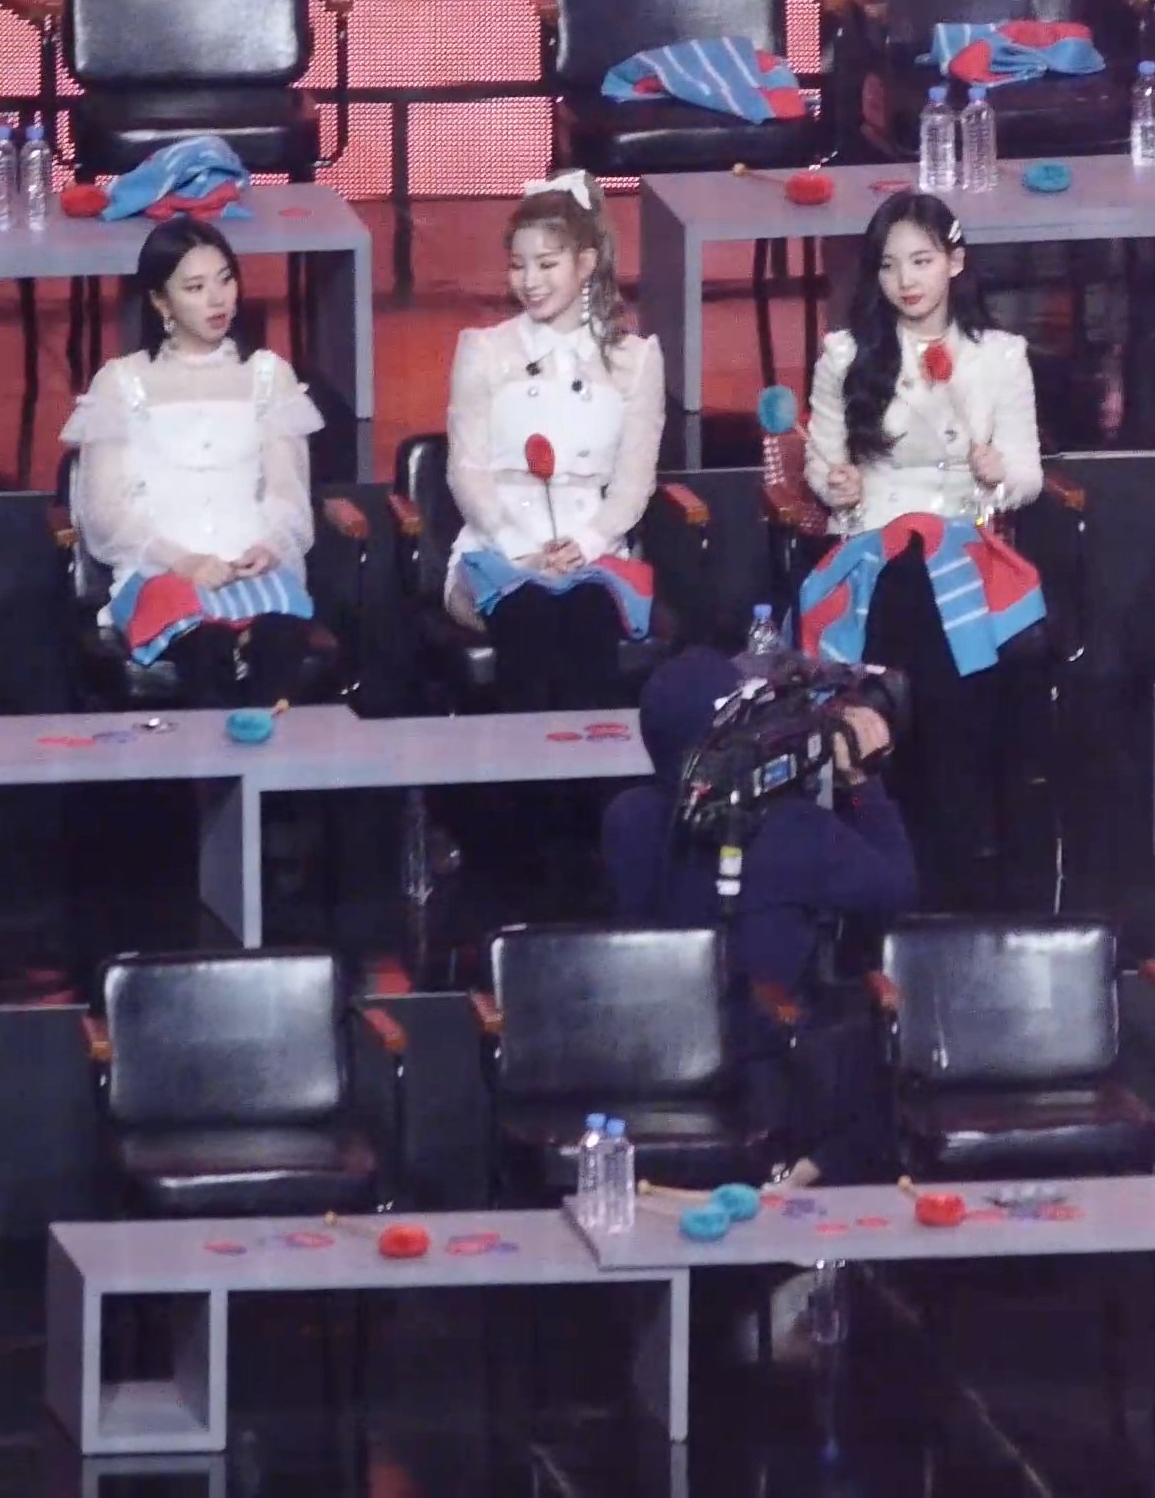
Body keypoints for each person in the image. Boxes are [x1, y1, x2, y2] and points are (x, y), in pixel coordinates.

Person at [785, 191, 1045, 905]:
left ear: (955, 263)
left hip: (967, 536)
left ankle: (943, 836)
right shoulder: (847, 357)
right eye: (890, 265)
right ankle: (922, 829)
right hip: (872, 540)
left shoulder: (999, 357)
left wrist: (999, 472)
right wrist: (835, 482)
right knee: (906, 573)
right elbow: (826, 467)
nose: (906, 280)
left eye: (922, 262)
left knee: (934, 577)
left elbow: (1028, 477)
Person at [598, 648, 916, 1174]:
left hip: (651, 1058)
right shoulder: (796, 830)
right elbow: (897, 890)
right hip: (767, 1071)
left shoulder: (625, 821)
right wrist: (864, 781)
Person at [59, 215, 325, 705]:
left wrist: (269, 546)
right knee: (205, 647)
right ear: (161, 301)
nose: (218, 299)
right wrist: (182, 561)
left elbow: (289, 494)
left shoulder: (270, 376)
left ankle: (270, 750)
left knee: (279, 642)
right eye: (196, 288)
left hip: (251, 570)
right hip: (162, 573)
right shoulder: (121, 383)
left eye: (225, 280)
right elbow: (106, 515)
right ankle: (212, 755)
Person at [444, 173, 666, 711]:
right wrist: (517, 547)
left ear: (585, 263)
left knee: (587, 618)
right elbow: (466, 469)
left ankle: (592, 766)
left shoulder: (635, 359)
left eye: (546, 265)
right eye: (518, 265)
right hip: (497, 548)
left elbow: (634, 483)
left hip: (592, 550)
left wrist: (586, 543)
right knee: (529, 617)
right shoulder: (483, 351)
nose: (530, 281)